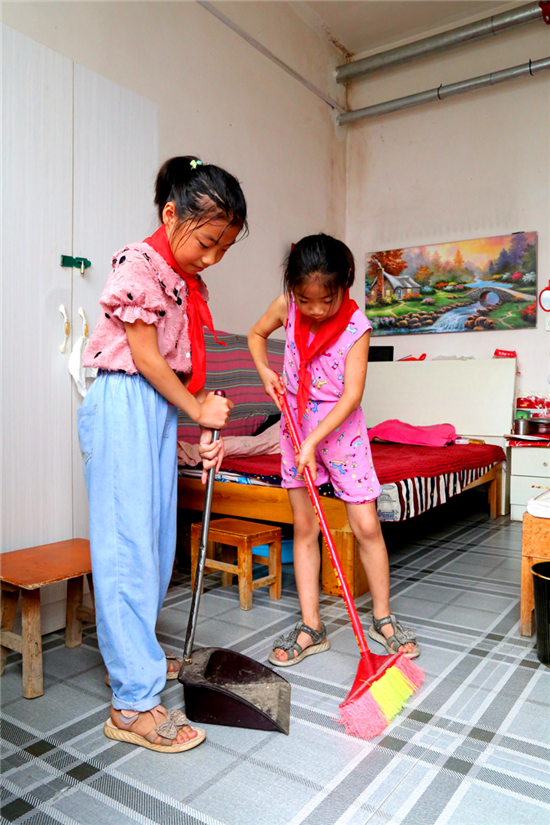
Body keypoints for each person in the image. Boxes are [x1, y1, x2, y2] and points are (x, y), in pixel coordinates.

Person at [78, 156, 246, 752]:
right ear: (171, 215)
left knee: (154, 544)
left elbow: (180, 366)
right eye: (206, 242)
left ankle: (135, 657)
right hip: (124, 400)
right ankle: (131, 706)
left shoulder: (185, 280)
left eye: (223, 248)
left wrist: (200, 416)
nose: (212, 257)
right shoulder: (137, 263)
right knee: (127, 548)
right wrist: (196, 409)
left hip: (155, 407)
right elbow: (146, 357)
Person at [248, 234, 419, 667]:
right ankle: (312, 626)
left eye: (327, 300)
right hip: (295, 427)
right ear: (293, 290)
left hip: (341, 433)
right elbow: (255, 334)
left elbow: (351, 396)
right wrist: (265, 370)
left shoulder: (357, 328)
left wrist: (313, 440)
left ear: (346, 284)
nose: (317, 310)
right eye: (306, 300)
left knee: (366, 526)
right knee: (305, 527)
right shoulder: (287, 306)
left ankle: (383, 618)